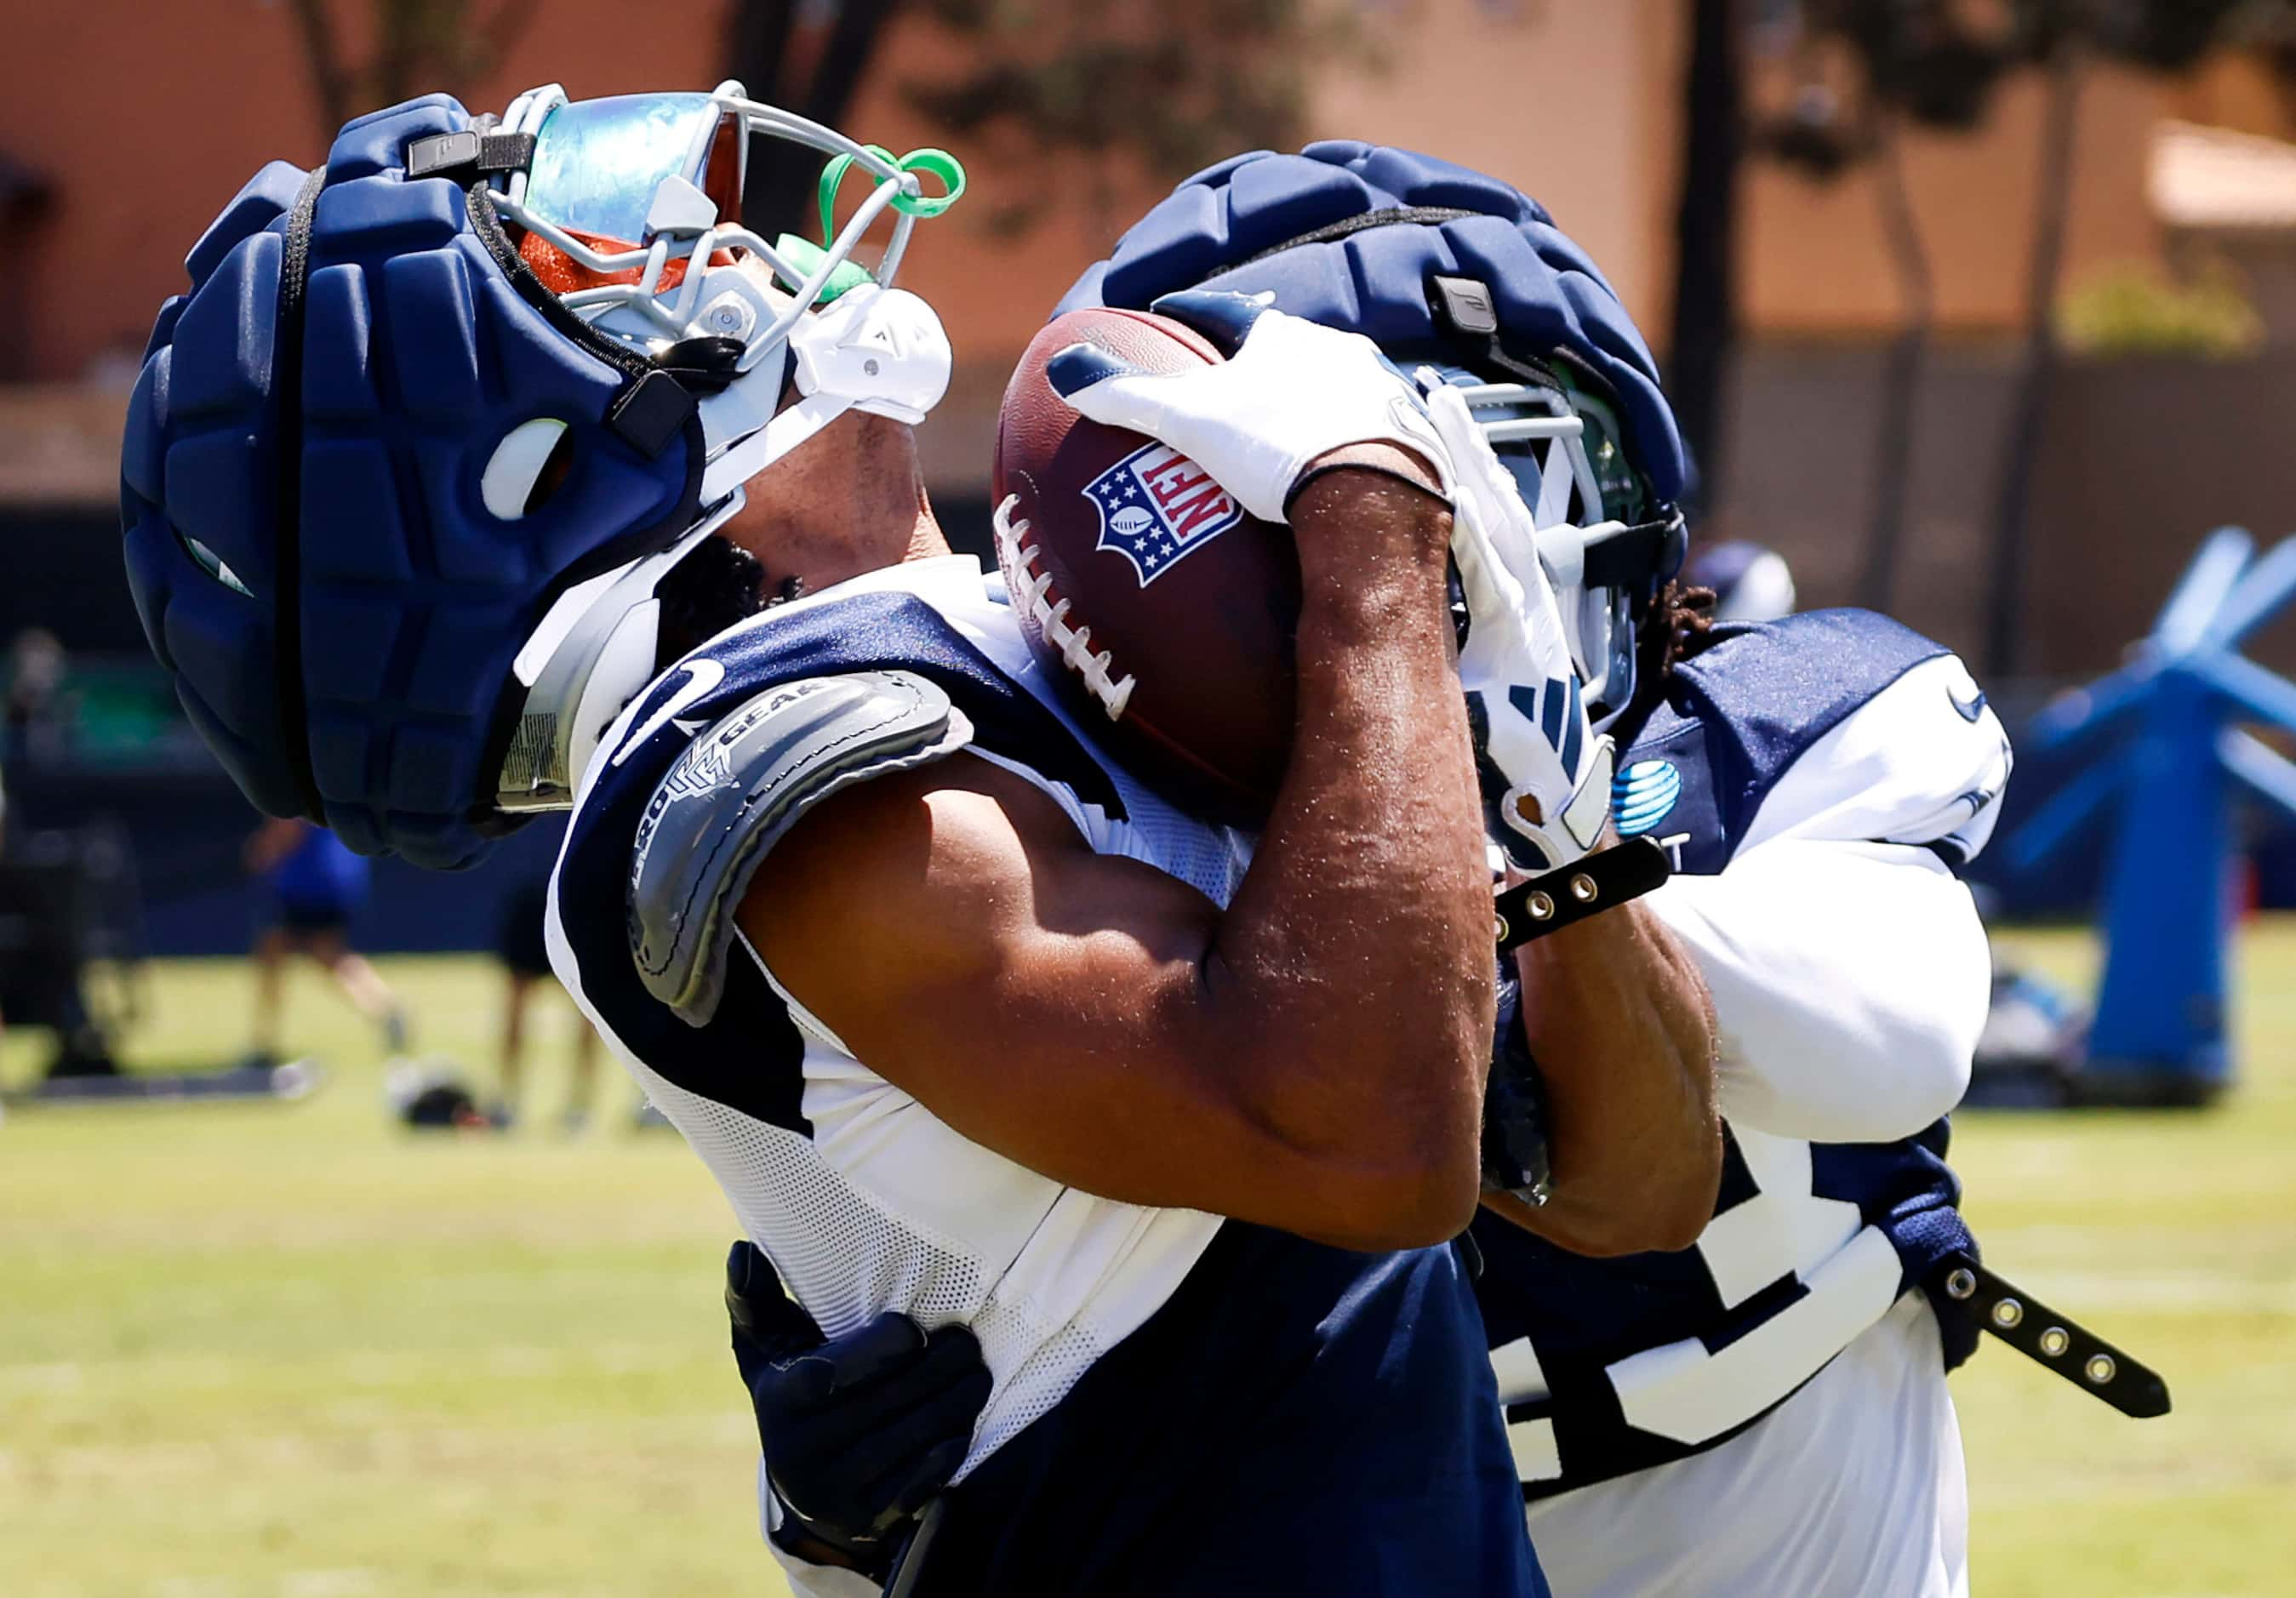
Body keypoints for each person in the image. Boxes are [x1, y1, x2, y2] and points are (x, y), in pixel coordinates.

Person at [123, 92, 1717, 1596]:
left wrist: (1549, 823)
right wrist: (1373, 534)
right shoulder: (759, 773)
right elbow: (1372, 1140)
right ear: (501, 461)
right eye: (588, 259)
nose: (726, 247)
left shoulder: (1011, 643)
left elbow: (1635, 1184)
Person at [733, 145, 2023, 1598]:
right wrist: (845, 1512)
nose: (1437, 549)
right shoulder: (1072, 868)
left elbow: (1887, 1043)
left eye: (1465, 482)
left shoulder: (1781, 727)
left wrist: (1515, 851)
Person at [242, 816, 407, 1067]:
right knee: (328, 957)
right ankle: (384, 1007)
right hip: (339, 880)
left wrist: (262, 852)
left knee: (274, 956)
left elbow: (286, 827)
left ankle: (264, 1043)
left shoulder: (295, 784)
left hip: (306, 883)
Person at [492, 871, 599, 1131]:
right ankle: (507, 1099)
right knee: (518, 997)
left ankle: (580, 1104)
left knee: (590, 1005)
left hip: (578, 888)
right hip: (532, 890)